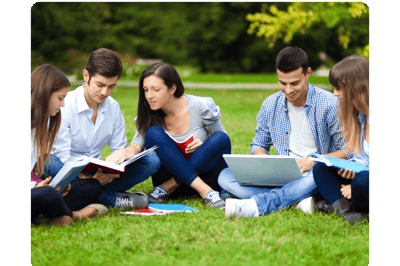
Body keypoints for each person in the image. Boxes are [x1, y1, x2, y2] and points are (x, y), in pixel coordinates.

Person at [220, 46, 349, 218]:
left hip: (314, 173)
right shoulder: (270, 104)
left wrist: (312, 161)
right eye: (283, 83)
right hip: (281, 173)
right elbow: (259, 143)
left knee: (315, 176)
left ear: (307, 73)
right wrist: (262, 161)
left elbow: (347, 150)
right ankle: (297, 201)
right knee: (225, 175)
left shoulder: (329, 104)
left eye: (294, 83)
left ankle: (259, 205)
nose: (288, 90)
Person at [107, 63, 231, 209]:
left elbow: (222, 143)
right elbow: (136, 146)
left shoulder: (200, 106)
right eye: (145, 90)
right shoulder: (148, 115)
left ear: (172, 88)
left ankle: (169, 186)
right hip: (172, 184)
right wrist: (123, 152)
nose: (149, 96)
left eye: (156, 90)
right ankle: (205, 192)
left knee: (220, 138)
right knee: (153, 133)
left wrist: (205, 145)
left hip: (201, 179)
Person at [52, 48, 160, 209]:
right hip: (71, 174)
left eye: (111, 86)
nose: (105, 92)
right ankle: (111, 199)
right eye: (100, 85)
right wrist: (89, 179)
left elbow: (119, 150)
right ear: (86, 75)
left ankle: (92, 193)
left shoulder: (113, 107)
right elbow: (62, 157)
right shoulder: (66, 105)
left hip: (100, 174)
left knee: (151, 160)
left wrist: (116, 164)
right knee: (51, 164)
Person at [31, 64, 106, 227]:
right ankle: (74, 214)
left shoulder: (36, 129)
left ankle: (44, 214)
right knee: (47, 194)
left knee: (91, 186)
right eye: (60, 98)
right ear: (44, 94)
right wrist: (34, 186)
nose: (63, 104)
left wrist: (40, 182)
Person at [312, 55, 370, 225]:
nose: (335, 94)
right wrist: (354, 166)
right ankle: (348, 213)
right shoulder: (360, 118)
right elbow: (362, 156)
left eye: (339, 88)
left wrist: (357, 180)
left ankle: (335, 206)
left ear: (356, 87)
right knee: (321, 167)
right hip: (364, 179)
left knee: (363, 181)